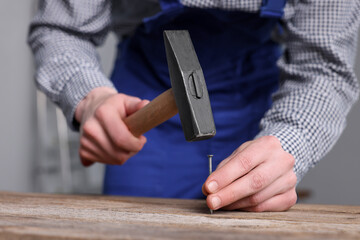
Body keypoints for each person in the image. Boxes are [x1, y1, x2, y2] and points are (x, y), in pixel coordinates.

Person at [28, 0, 360, 212]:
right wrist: (90, 97)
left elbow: (324, 68)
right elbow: (61, 28)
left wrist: (290, 143)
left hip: (259, 103)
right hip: (145, 92)